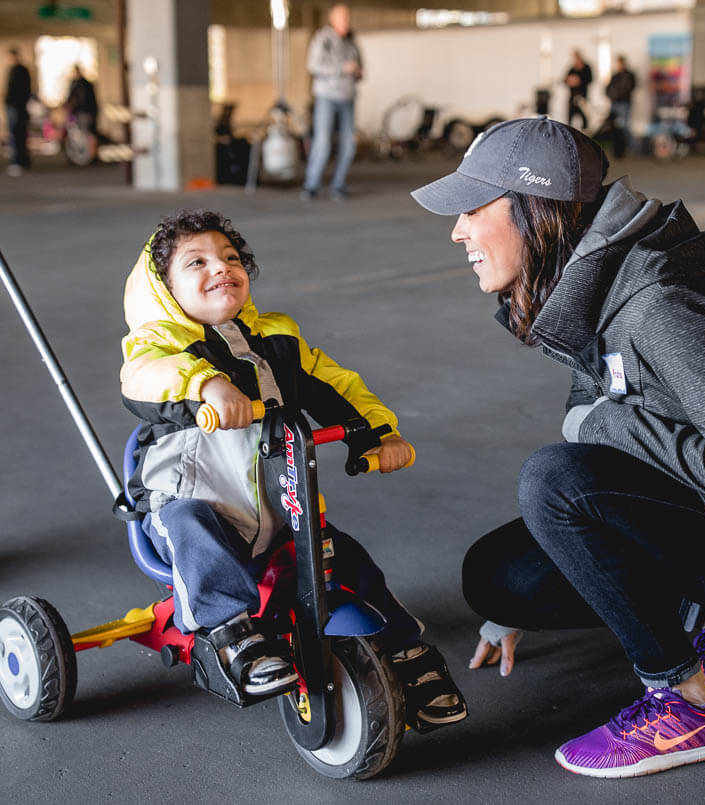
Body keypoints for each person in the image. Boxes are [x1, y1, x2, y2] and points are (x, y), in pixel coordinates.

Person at [410, 117, 705, 778]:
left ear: (534, 210)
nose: (457, 229)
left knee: (553, 480)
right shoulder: (591, 282)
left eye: (473, 208)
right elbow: (591, 413)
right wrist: (599, 427)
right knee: (500, 579)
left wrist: (606, 426)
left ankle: (685, 700)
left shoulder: (660, 307)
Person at [120, 209, 468, 730]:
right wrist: (206, 386)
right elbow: (144, 376)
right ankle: (230, 633)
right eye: (197, 262)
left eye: (231, 257)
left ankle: (405, 651)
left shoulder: (277, 340)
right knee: (194, 527)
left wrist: (378, 432)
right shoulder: (157, 345)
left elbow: (336, 384)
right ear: (164, 291)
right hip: (188, 508)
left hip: (278, 511)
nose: (221, 267)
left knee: (345, 557)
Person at [302, 3, 362, 201]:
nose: (346, 21)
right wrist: (342, 68)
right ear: (333, 19)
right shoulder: (323, 39)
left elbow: (361, 70)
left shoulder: (352, 41)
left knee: (348, 144)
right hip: (327, 97)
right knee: (323, 142)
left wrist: (356, 71)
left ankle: (338, 186)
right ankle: (311, 185)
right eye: (342, 17)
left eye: (348, 17)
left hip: (348, 98)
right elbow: (313, 65)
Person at [4, 47, 31, 176]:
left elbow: (22, 91)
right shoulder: (14, 70)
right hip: (16, 107)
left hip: (16, 108)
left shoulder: (19, 71)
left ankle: (18, 161)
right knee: (19, 134)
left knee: (16, 135)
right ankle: (22, 160)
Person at [605, 55, 636, 154]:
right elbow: (608, 88)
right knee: (614, 126)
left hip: (624, 103)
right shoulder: (615, 76)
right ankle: (617, 146)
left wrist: (618, 94)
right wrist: (611, 95)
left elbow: (630, 87)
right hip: (615, 103)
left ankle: (629, 146)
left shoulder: (629, 75)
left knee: (624, 125)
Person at [564, 49, 593, 131]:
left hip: (583, 97)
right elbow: (565, 80)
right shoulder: (572, 68)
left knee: (585, 119)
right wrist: (570, 81)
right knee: (570, 119)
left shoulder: (586, 67)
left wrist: (579, 81)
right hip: (572, 97)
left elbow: (590, 80)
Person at [65, 64, 98, 135]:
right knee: (80, 133)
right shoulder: (74, 84)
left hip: (86, 112)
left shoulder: (86, 84)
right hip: (79, 113)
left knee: (86, 133)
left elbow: (87, 100)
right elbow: (70, 98)